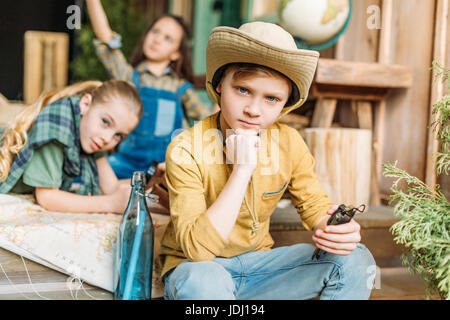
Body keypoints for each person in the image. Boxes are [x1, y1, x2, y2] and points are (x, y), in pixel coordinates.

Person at [158, 22, 376, 300]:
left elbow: (314, 206)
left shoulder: (289, 143)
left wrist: (334, 229)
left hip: (260, 268)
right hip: (197, 270)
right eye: (243, 90)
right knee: (205, 281)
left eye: (271, 98)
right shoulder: (185, 147)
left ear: (284, 105)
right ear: (219, 85)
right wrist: (242, 169)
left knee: (355, 257)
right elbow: (197, 251)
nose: (253, 110)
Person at [86, 0, 214, 179]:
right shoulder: (130, 77)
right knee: (88, 175)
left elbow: (208, 118)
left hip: (166, 166)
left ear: (176, 53)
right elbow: (105, 39)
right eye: (155, 32)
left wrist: (222, 91)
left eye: (168, 38)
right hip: (126, 163)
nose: (157, 39)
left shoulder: (180, 87)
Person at [0, 80, 145, 214]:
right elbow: (47, 197)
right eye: (106, 122)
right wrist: (110, 204)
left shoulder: (92, 134)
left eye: (118, 135)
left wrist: (153, 197)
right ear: (86, 104)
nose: (107, 139)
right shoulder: (56, 128)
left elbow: (111, 187)